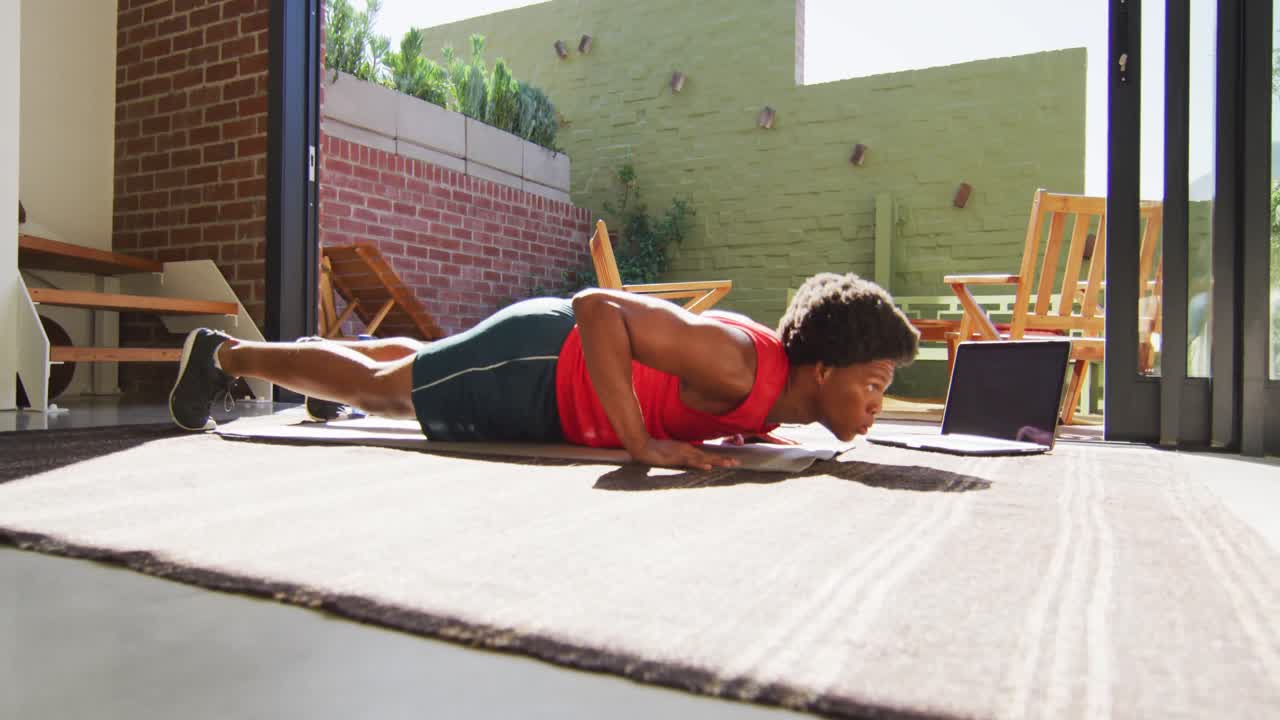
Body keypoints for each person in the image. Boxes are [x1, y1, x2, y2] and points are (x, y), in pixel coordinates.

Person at [169, 272, 920, 471]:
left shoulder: (769, 391)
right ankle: (223, 356)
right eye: (876, 383)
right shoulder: (742, 366)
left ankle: (297, 376)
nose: (878, 404)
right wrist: (641, 444)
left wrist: (753, 437)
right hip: (537, 369)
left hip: (539, 364)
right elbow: (599, 308)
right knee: (383, 391)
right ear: (821, 370)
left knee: (394, 365)